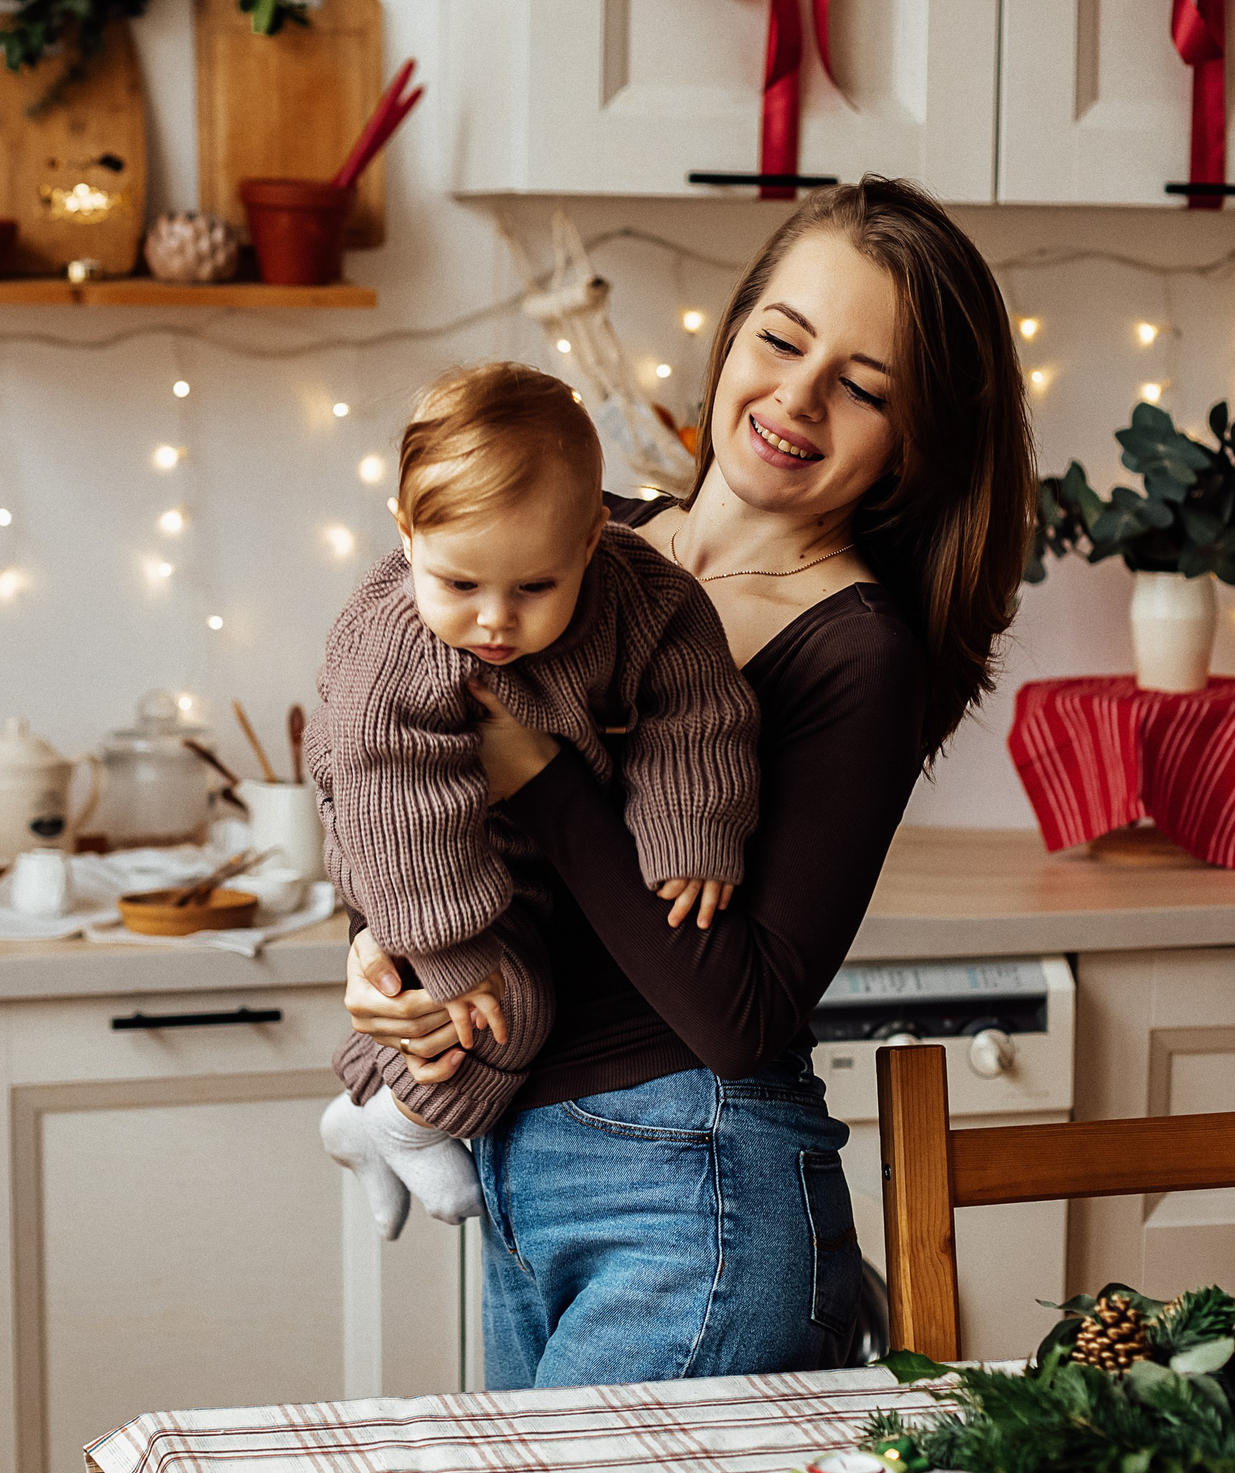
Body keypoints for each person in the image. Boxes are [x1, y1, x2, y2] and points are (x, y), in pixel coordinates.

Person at [342, 178, 1034, 1387]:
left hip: (693, 1192)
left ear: (911, 444)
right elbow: (394, 750)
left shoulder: (855, 649)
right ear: (732, 336)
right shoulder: (567, 541)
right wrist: (379, 955)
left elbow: (740, 1014)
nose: (797, 397)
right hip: (518, 1164)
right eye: (781, 338)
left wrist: (546, 776)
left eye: (864, 387)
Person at [311, 362, 763, 1237]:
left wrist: (692, 828)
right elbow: (392, 804)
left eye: (533, 588)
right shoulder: (398, 647)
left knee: (503, 999)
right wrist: (443, 944)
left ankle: (368, 1118)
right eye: (460, 585)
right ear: (406, 535)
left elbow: (698, 707)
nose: (493, 620)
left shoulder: (649, 597)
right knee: (497, 1005)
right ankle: (392, 1119)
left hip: (526, 852)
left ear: (592, 542)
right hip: (399, 838)